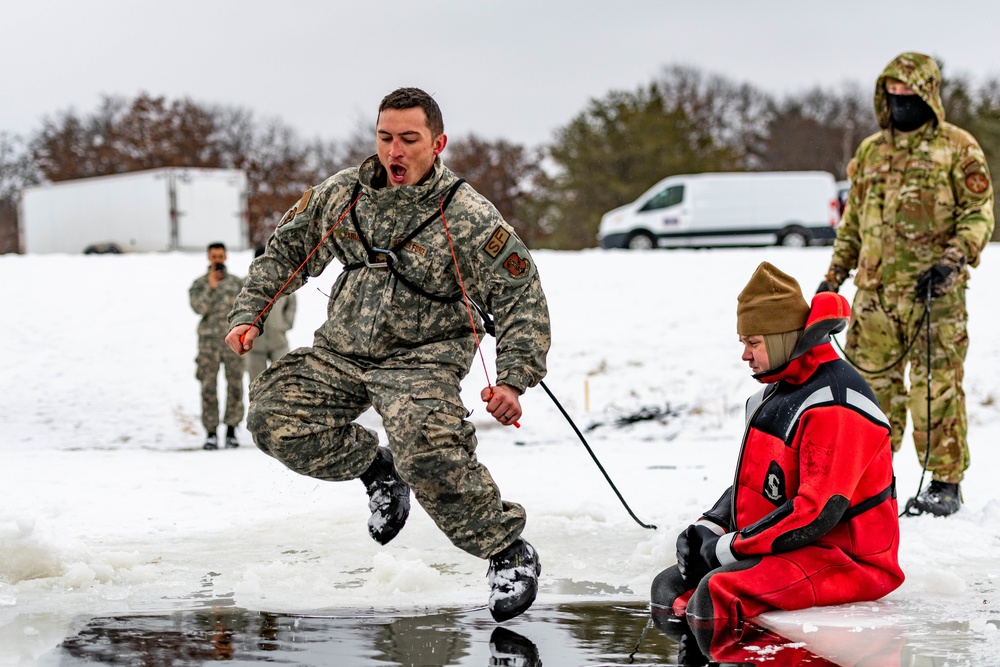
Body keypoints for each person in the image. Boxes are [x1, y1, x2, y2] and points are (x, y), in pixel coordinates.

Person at [224, 87, 551, 622]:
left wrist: (514, 378)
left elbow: (521, 295)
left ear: (437, 142)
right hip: (345, 350)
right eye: (384, 138)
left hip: (423, 358)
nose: (394, 151)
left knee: (425, 445)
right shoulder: (342, 195)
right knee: (272, 418)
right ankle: (376, 469)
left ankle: (506, 551)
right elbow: (285, 249)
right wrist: (250, 313)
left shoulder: (467, 214)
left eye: (408, 139)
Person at [650, 262, 904, 659]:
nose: (744, 355)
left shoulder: (834, 403)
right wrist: (708, 527)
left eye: (753, 342)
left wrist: (724, 550)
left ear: (783, 337)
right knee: (668, 588)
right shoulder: (777, 388)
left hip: (846, 558)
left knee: (715, 596)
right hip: (787, 544)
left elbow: (816, 513)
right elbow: (755, 482)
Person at [817, 52, 994, 517]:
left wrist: (952, 262)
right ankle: (871, 480)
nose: (899, 104)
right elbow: (852, 224)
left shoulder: (958, 148)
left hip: (934, 295)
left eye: (908, 96)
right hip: (874, 298)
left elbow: (978, 215)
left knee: (934, 389)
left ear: (928, 96)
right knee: (869, 391)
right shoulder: (872, 152)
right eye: (891, 96)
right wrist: (832, 278)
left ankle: (944, 483)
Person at [189, 242, 245, 449]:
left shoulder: (237, 283)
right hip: (208, 343)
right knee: (208, 387)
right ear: (208, 258)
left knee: (235, 386)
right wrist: (211, 287)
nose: (217, 260)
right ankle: (211, 432)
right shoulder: (199, 284)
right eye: (214, 257)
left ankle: (231, 429)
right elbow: (198, 308)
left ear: (226, 257)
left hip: (232, 342)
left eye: (220, 256)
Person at [245, 246, 297, 381]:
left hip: (278, 341)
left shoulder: (283, 282)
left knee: (284, 380)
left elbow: (291, 303)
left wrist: (285, 324)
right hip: (255, 345)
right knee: (256, 384)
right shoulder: (246, 284)